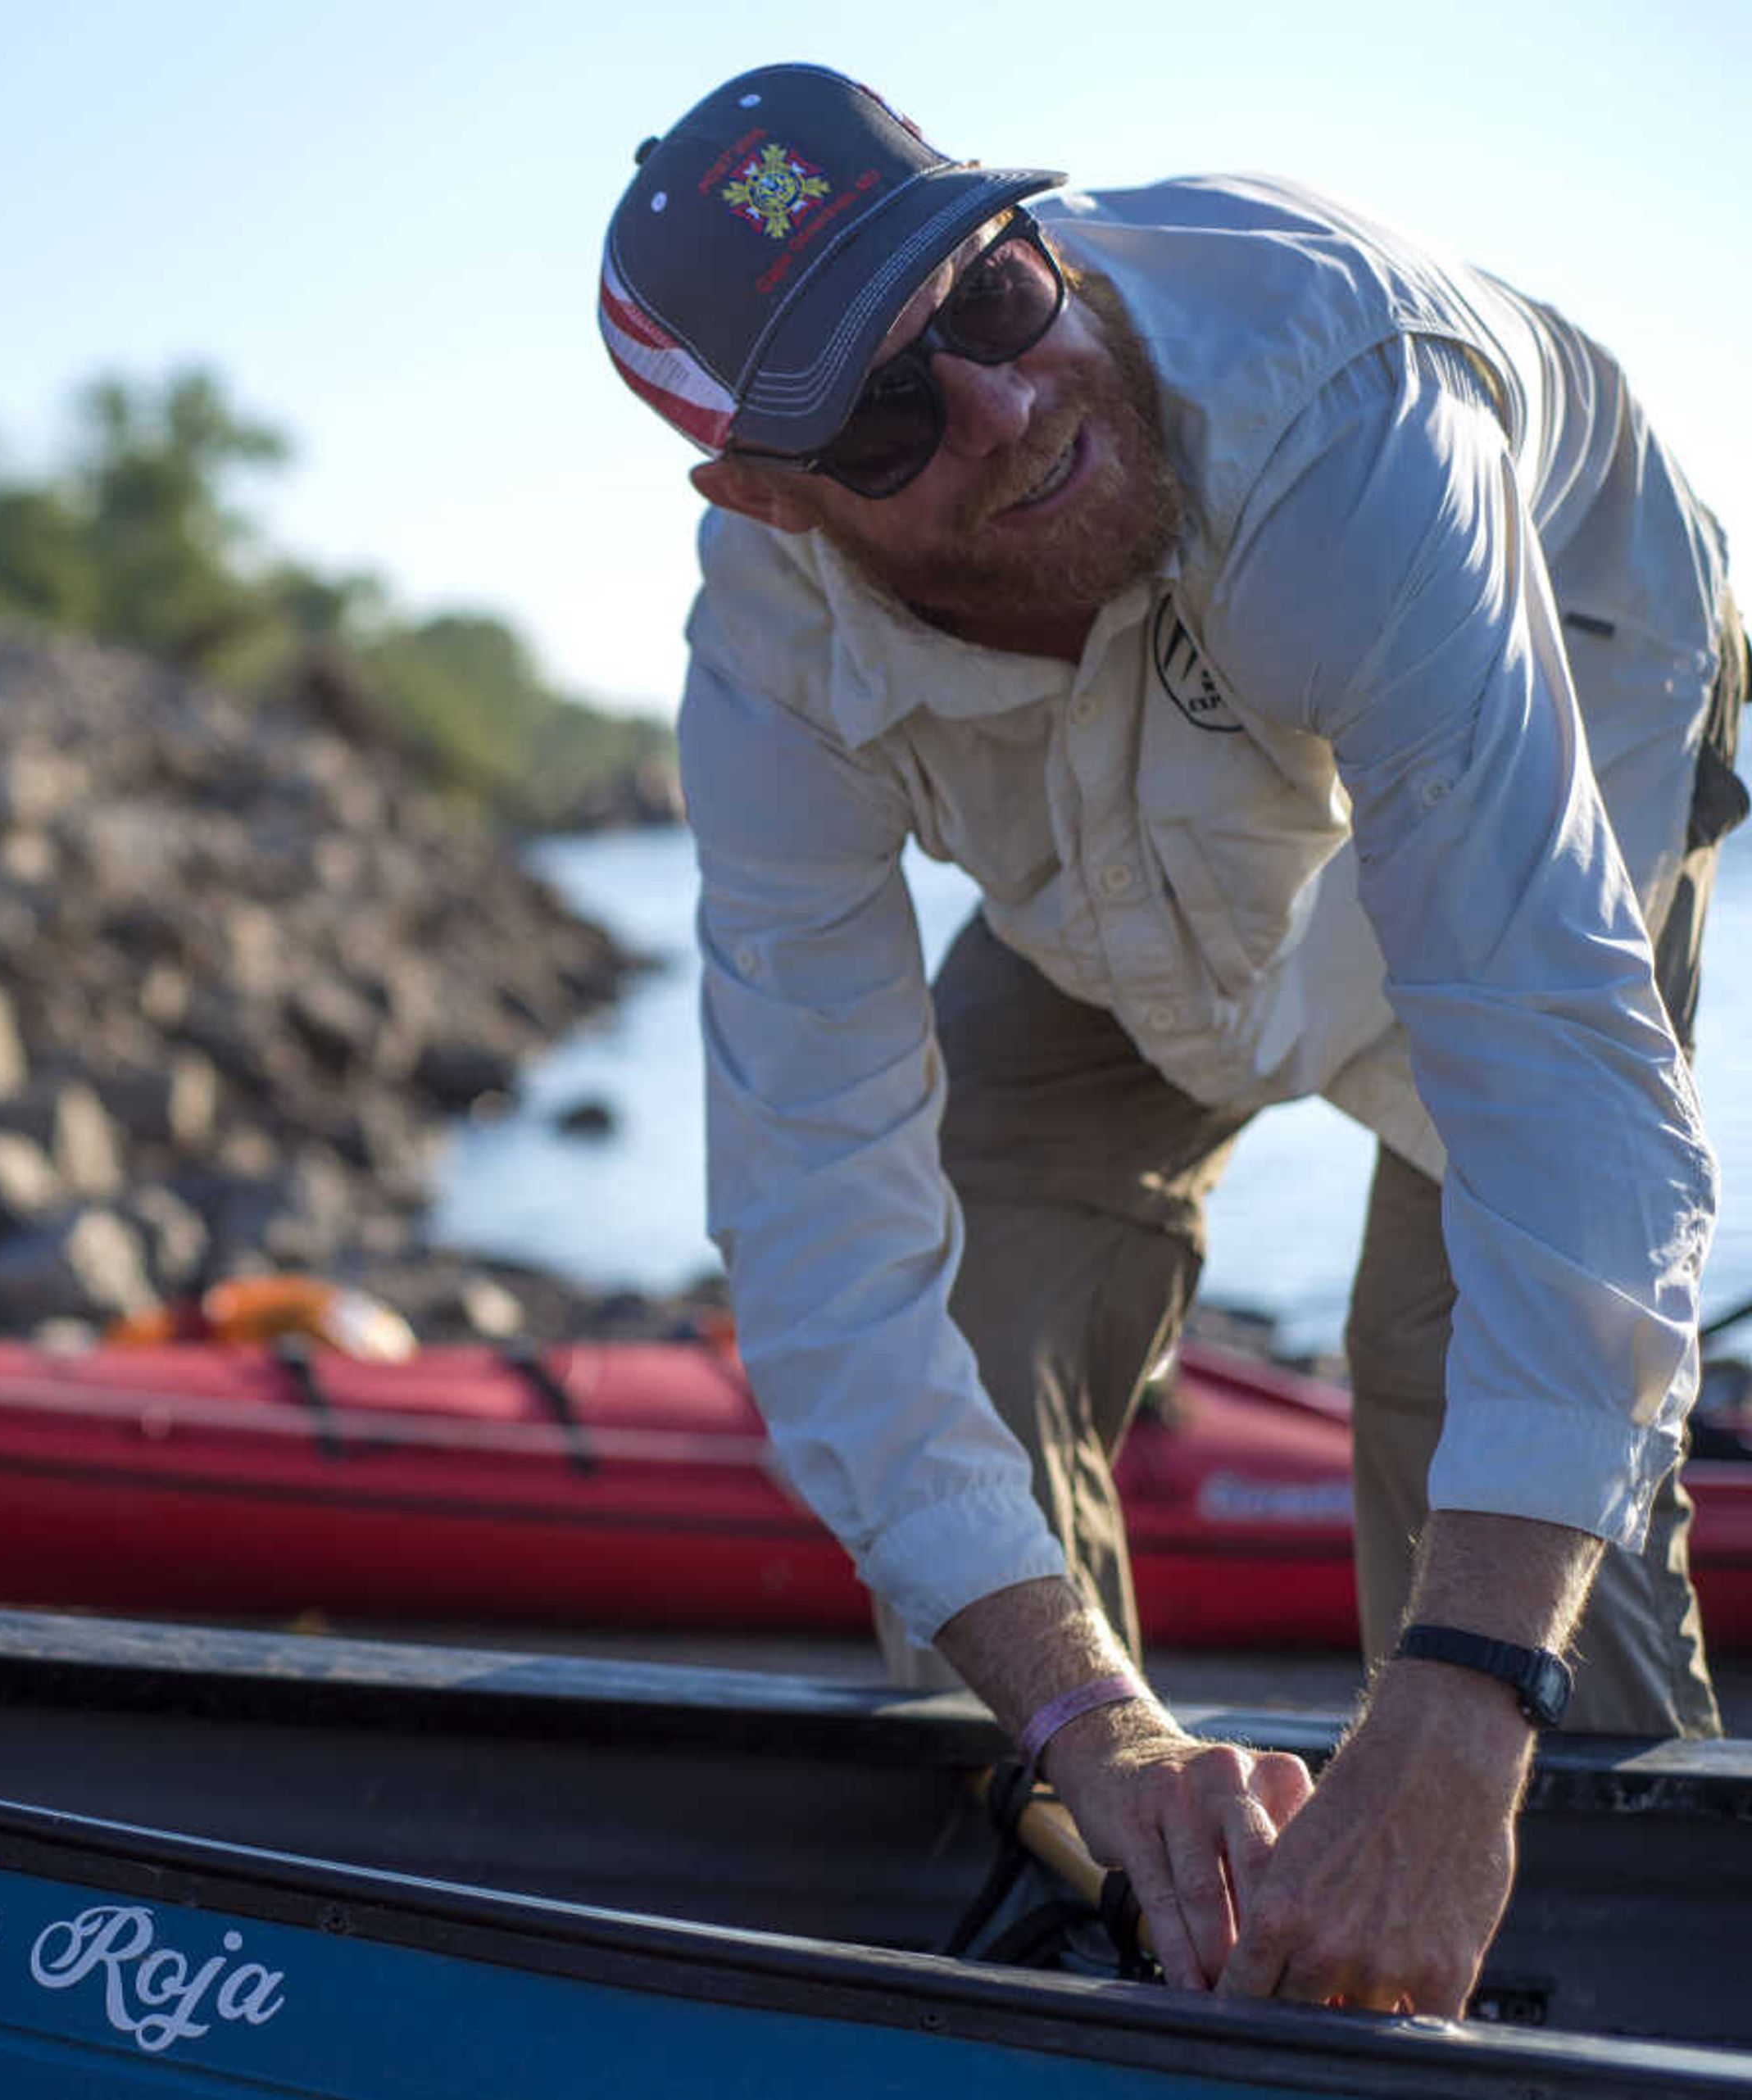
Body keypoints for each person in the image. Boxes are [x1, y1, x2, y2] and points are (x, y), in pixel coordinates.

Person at [596, 63, 1745, 2015]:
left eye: (987, 298)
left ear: (1021, 235)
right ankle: (1120, 1911)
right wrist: (1095, 1728)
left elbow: (1561, 1110)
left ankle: (1608, 1978)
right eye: (887, 416)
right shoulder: (765, 663)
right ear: (768, 503)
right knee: (976, 1303)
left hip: (1537, 741)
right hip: (1111, 902)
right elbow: (823, 1257)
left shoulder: (1347, 413)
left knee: (1460, 1378)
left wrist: (1459, 1716)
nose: (1005, 403)